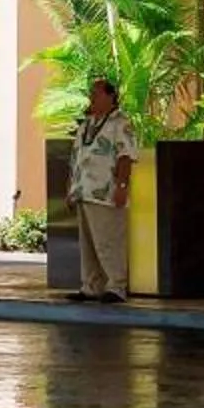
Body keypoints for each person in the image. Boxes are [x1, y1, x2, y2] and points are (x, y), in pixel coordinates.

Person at [67, 79, 137, 304]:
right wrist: (71, 188)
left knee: (109, 241)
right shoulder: (87, 123)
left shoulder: (120, 122)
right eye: (91, 94)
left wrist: (122, 186)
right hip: (84, 191)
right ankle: (91, 286)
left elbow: (125, 156)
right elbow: (76, 159)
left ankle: (116, 286)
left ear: (110, 96)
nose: (92, 98)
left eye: (96, 94)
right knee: (88, 243)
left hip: (106, 192)